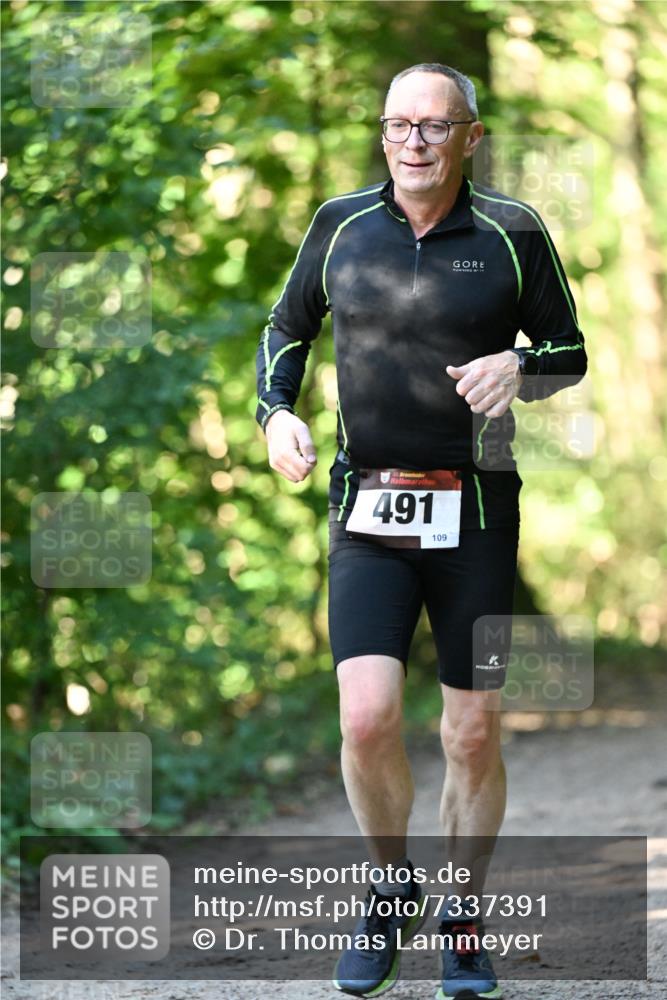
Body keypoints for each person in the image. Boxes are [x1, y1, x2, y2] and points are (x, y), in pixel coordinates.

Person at [255, 63, 587, 1000]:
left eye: (434, 127)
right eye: (398, 124)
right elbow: (283, 331)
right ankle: (388, 886)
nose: (413, 141)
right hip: (367, 509)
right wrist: (274, 414)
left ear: (469, 137)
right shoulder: (339, 226)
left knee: (472, 732)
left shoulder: (512, 232)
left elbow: (569, 351)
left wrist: (517, 367)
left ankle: (463, 921)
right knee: (364, 720)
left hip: (477, 511)